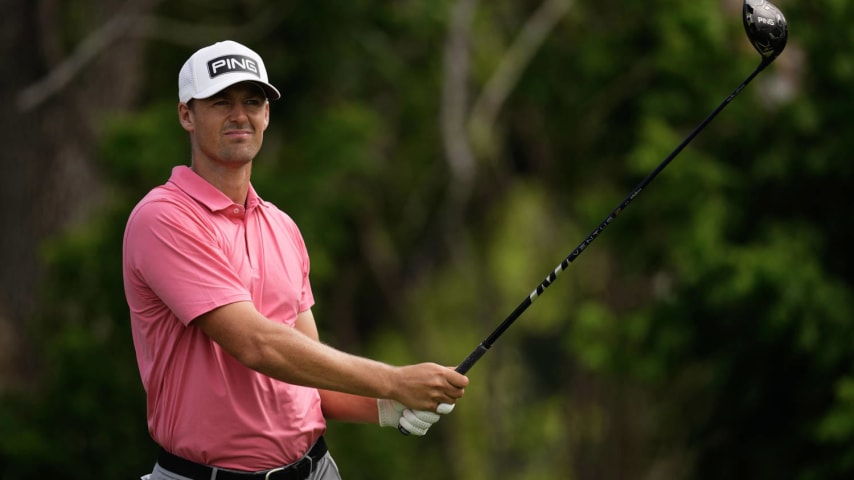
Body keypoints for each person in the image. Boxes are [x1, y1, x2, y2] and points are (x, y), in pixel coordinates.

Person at [123, 40, 469, 480]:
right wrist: (394, 381)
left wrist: (390, 407)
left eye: (253, 101)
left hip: (315, 470)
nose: (239, 115)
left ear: (267, 115)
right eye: (220, 102)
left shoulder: (281, 227)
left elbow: (306, 371)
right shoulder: (163, 218)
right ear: (186, 115)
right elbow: (256, 344)